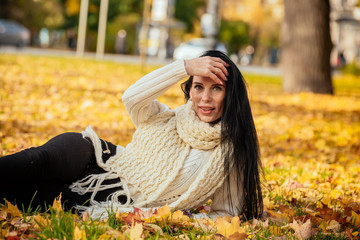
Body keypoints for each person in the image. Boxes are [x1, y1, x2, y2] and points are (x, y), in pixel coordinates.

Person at [0, 50, 263, 220]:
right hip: (98, 157)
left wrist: (162, 216)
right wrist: (184, 66)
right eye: (198, 87)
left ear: (231, 95)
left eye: (216, 88)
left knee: (24, 192)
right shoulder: (165, 116)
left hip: (108, 200)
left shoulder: (230, 152)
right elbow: (131, 97)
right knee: (40, 159)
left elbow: (224, 215)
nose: (205, 98)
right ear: (190, 89)